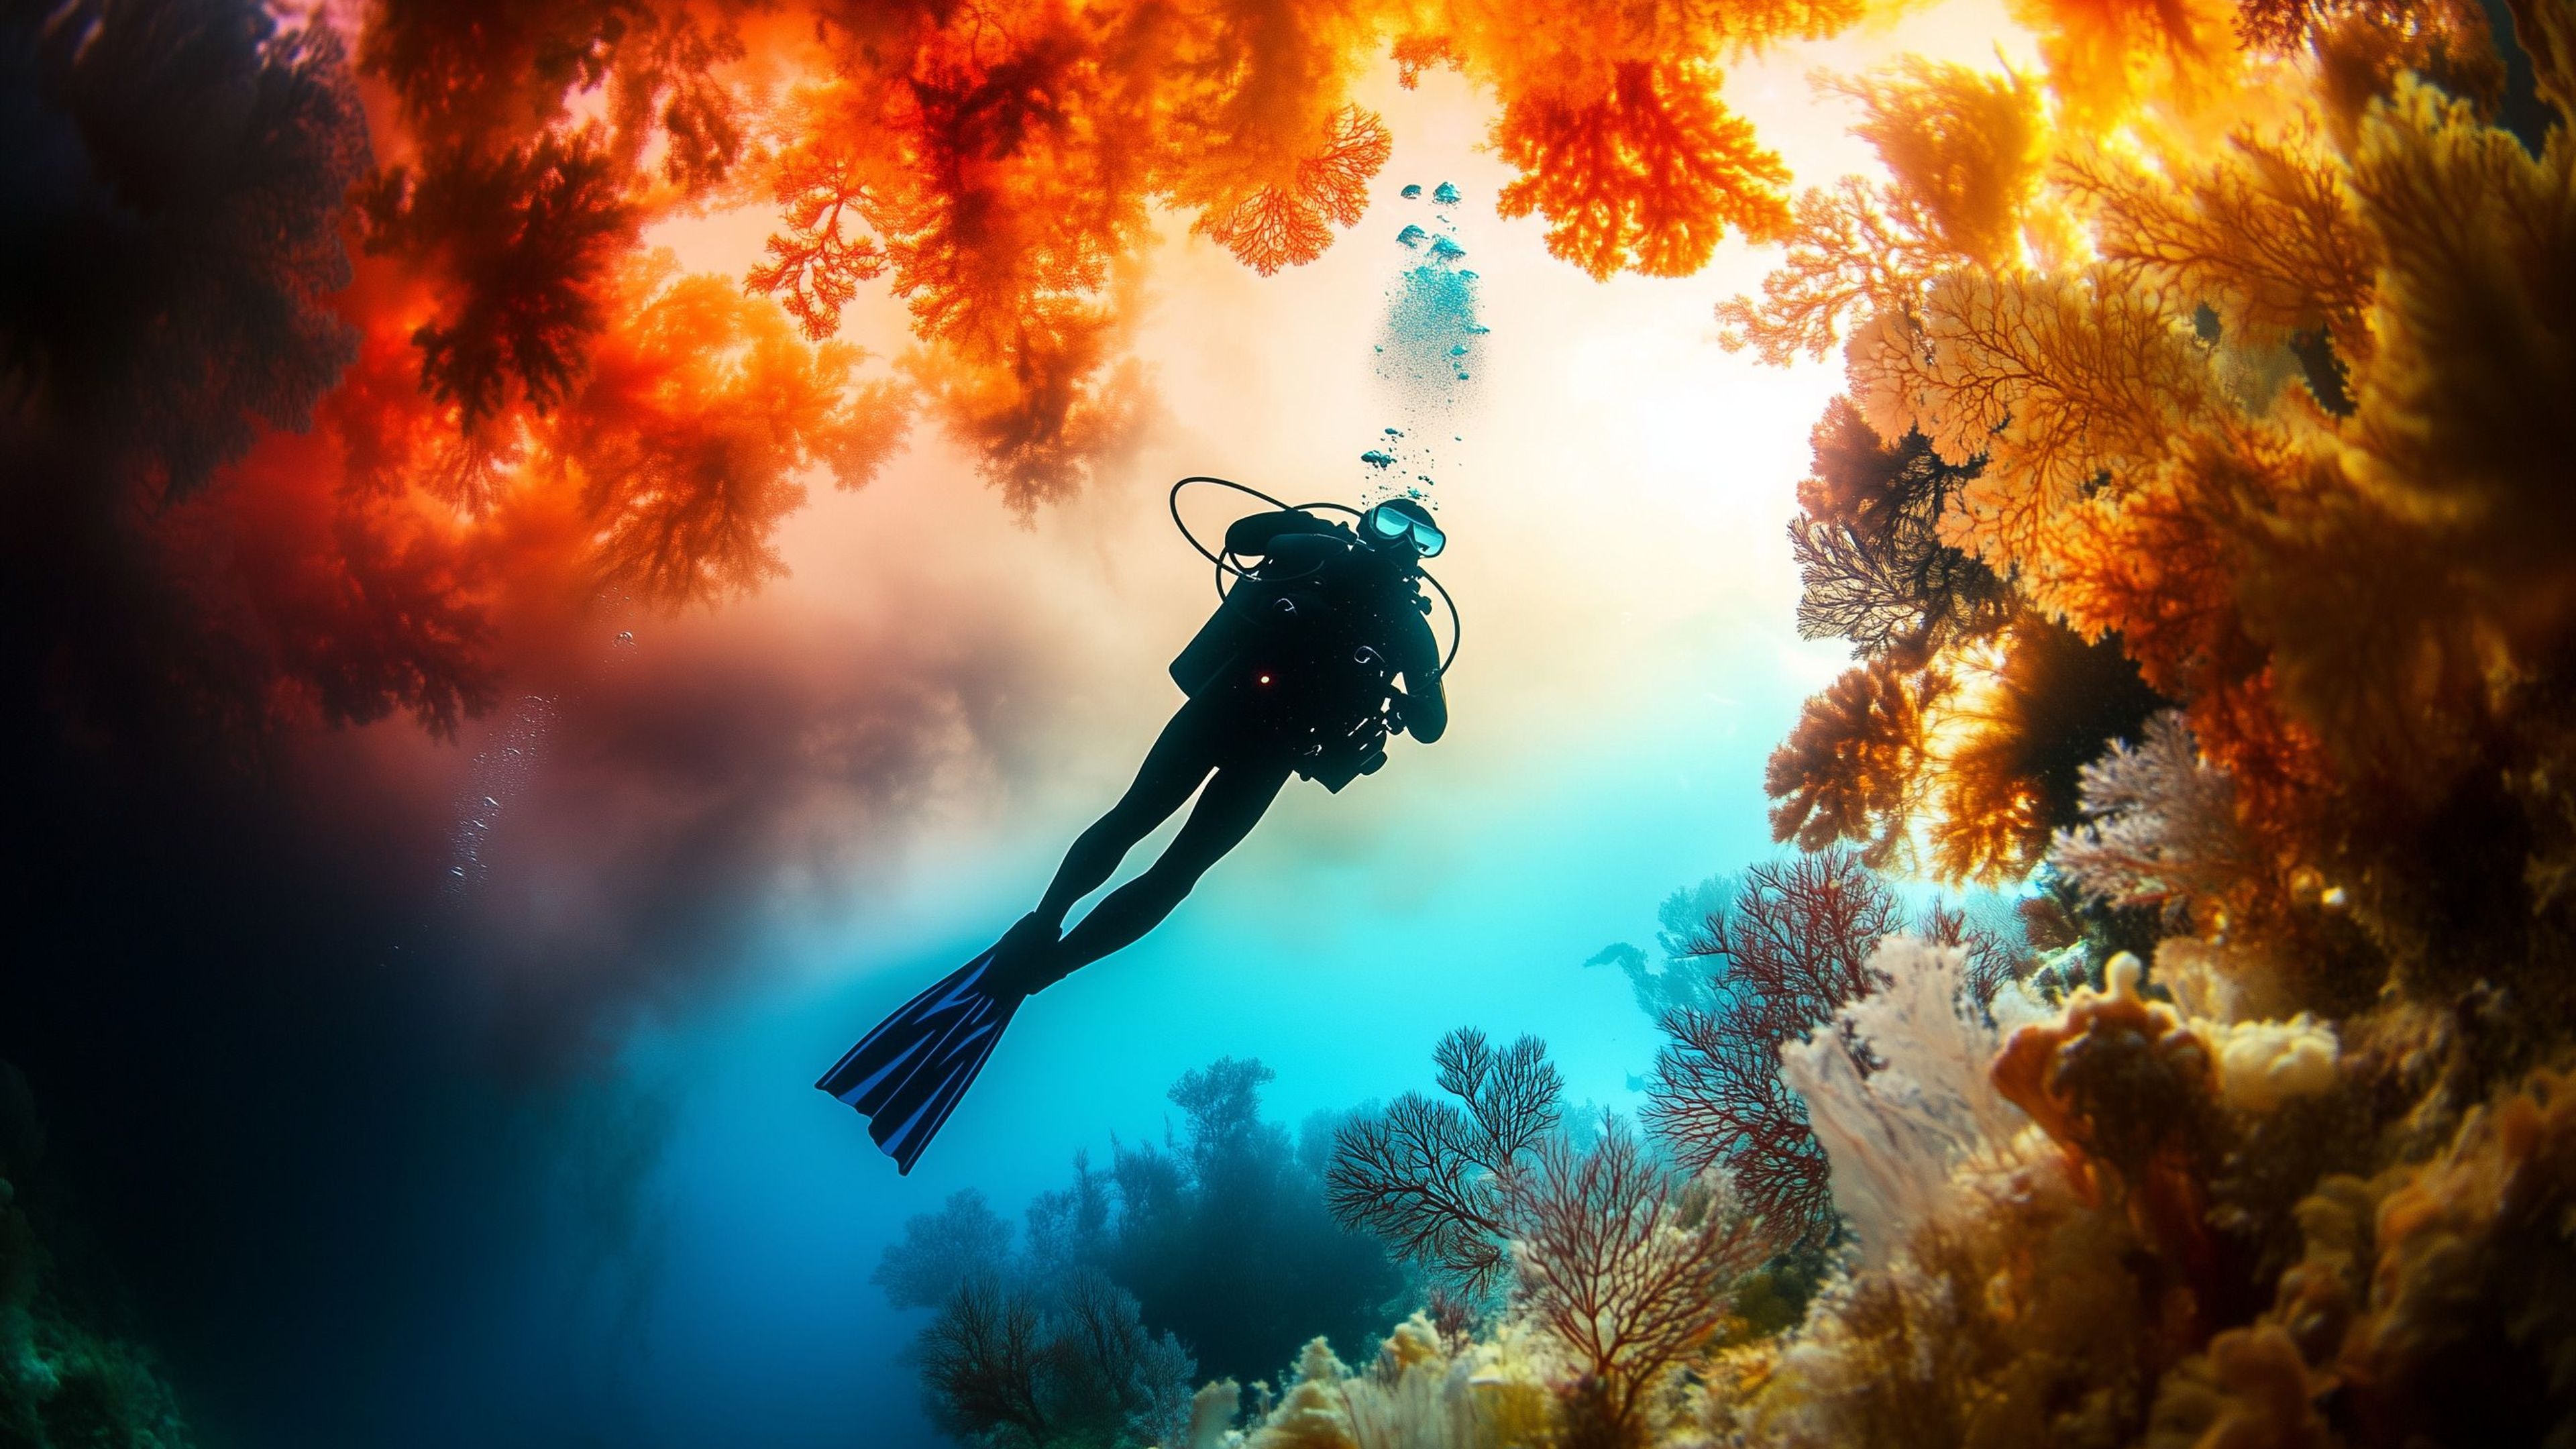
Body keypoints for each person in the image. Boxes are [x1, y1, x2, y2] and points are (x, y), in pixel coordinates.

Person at [818, 496, 1451, 1172]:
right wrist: (1308, 532)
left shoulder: (1408, 626)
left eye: (1423, 534)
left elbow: (1432, 722)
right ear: (1365, 521)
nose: (1405, 540)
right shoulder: (1322, 554)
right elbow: (1240, 535)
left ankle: (1045, 953)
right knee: (1140, 826)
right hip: (1235, 710)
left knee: (1173, 869)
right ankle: (1043, 937)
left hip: (1265, 739)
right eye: (1394, 522)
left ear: (1426, 551)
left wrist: (1405, 698)